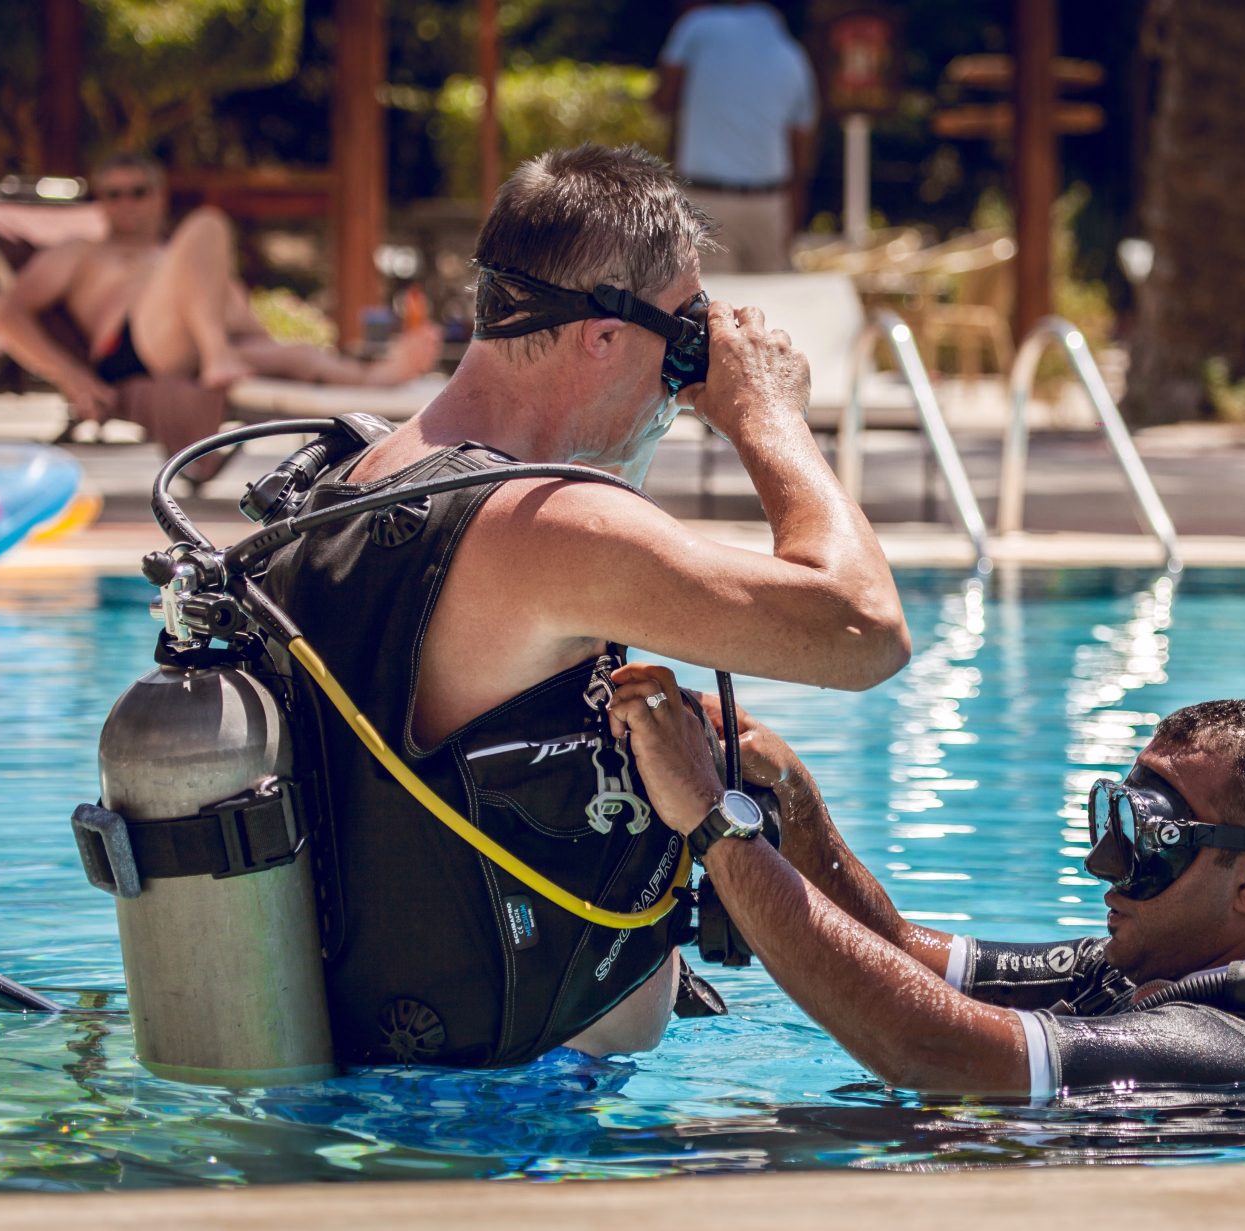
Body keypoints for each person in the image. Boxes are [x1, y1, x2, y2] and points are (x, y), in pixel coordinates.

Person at [260, 144, 909, 1071]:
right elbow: (864, 631)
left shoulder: (359, 478)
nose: (692, 380)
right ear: (603, 333)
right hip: (525, 1120)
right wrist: (766, 415)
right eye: (687, 333)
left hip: (400, 1066)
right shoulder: (545, 526)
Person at [608, 682, 1245, 1098]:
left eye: (1148, 840)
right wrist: (790, 794)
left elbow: (928, 1050)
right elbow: (905, 955)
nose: (1104, 866)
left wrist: (717, 829)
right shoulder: (1134, 967)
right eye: (1115, 819)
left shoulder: (1235, 1044)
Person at [0, 152, 442, 426]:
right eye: (113, 194)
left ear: (160, 195)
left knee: (301, 355)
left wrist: (267, 350)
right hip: (132, 349)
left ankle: (373, 378)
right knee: (208, 223)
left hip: (198, 340)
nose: (125, 203)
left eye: (138, 191)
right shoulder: (79, 252)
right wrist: (69, 375)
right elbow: (6, 316)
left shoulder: (178, 257)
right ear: (99, 201)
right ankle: (217, 356)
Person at [654, 1, 818, 273]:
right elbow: (800, 153)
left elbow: (664, 99)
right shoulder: (794, 56)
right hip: (769, 204)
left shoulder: (698, 26)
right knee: (770, 307)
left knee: (704, 308)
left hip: (706, 200)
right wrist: (791, 223)